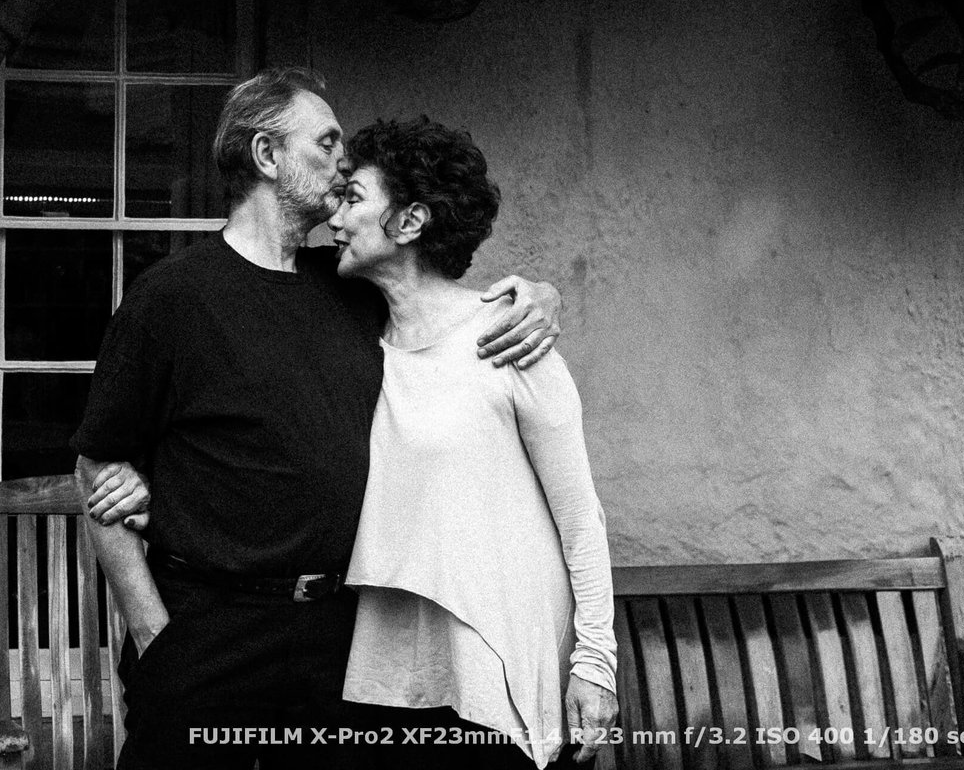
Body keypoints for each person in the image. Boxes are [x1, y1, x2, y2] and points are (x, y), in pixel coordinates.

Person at [71, 67, 565, 770]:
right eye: (327, 144)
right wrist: (154, 634)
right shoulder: (170, 299)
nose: (343, 162)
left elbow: (439, 304)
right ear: (267, 155)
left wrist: (539, 297)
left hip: (340, 635)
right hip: (208, 632)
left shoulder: (349, 288)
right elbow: (99, 462)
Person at [328, 117, 617, 770]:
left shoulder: (509, 339)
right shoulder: (352, 342)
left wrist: (595, 662)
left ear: (410, 221)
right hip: (385, 677)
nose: (333, 217)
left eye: (352, 198)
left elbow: (581, 518)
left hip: (499, 667)